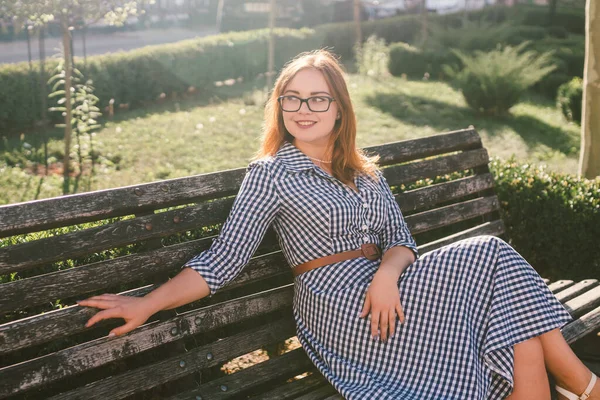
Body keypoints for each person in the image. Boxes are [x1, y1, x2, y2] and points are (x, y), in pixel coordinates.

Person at [78, 49, 599, 400]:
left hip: (388, 294)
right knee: (488, 253)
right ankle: (585, 384)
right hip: (338, 309)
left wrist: (386, 275)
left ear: (338, 107)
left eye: (317, 98)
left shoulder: (365, 171)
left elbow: (400, 242)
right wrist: (146, 302)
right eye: (292, 98)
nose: (303, 109)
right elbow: (222, 261)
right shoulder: (272, 174)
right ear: (279, 106)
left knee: (517, 333)